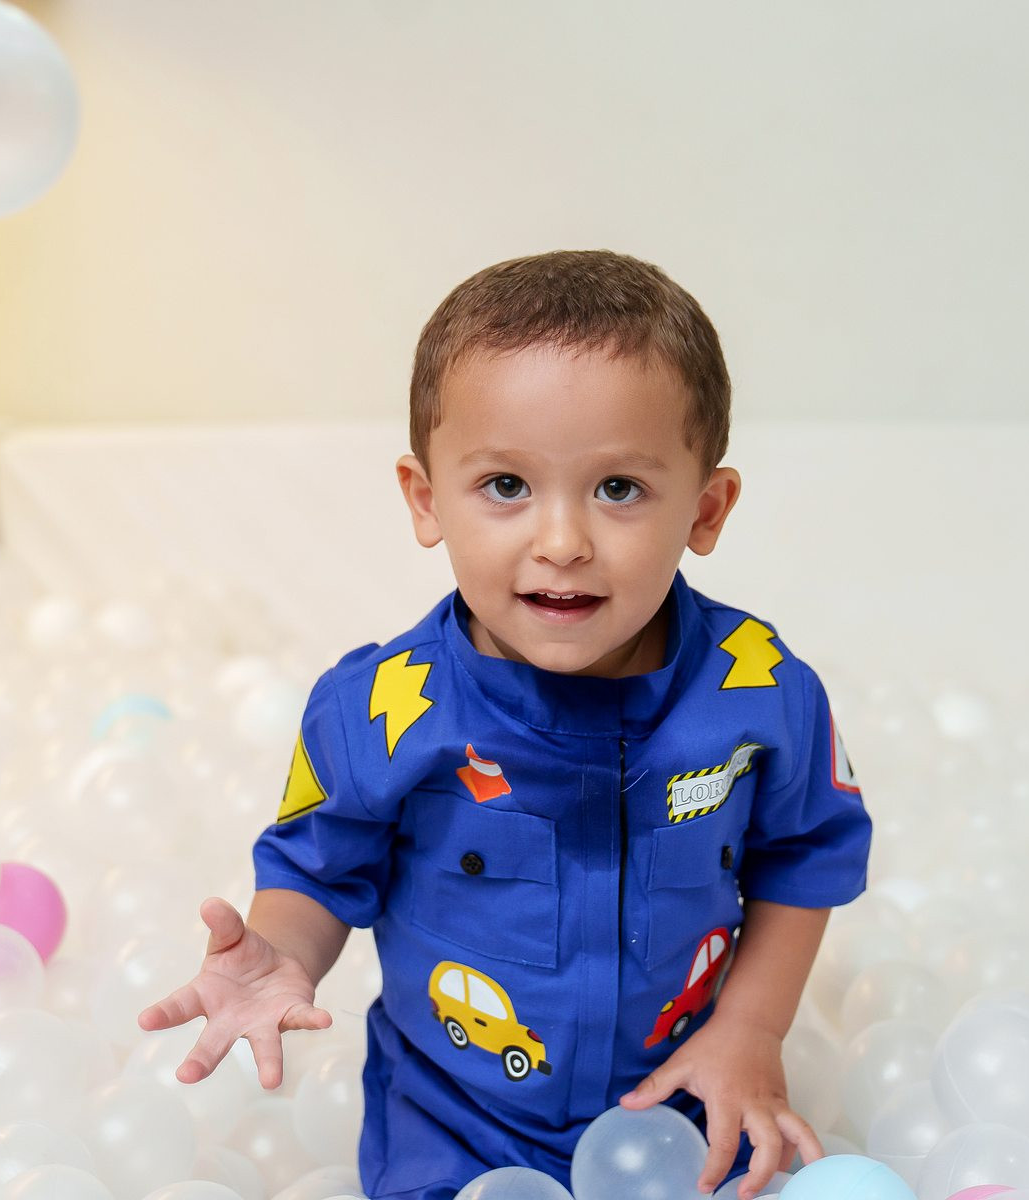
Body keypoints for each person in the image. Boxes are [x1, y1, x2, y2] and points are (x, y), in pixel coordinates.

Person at [139, 250, 874, 1200]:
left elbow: (804, 858)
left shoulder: (762, 694)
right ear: (426, 500)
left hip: (686, 1099)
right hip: (453, 1117)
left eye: (618, 488)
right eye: (506, 486)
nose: (561, 542)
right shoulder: (380, 710)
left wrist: (751, 1030)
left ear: (706, 508)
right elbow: (318, 871)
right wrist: (280, 955)